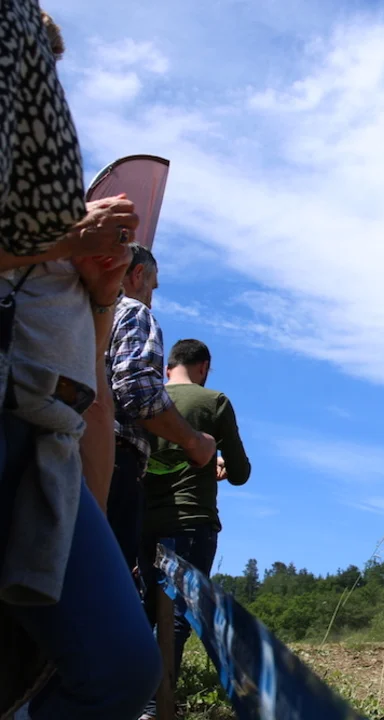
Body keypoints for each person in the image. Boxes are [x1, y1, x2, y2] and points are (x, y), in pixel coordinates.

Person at [0, 4, 163, 717]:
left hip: (48, 457)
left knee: (121, 671)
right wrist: (65, 242)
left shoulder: (46, 195)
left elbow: (93, 384)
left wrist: (98, 296)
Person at [139, 339, 251, 719]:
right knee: (177, 616)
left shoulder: (144, 397)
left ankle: (130, 699)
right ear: (204, 367)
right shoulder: (213, 402)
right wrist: (220, 462)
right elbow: (240, 473)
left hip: (142, 522)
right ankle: (154, 707)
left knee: (143, 612)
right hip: (191, 521)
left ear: (168, 367)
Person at [105, 245, 216, 583]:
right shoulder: (133, 312)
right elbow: (137, 392)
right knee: (105, 576)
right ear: (138, 274)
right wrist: (194, 442)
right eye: (152, 287)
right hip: (114, 464)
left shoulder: (77, 309)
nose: (151, 300)